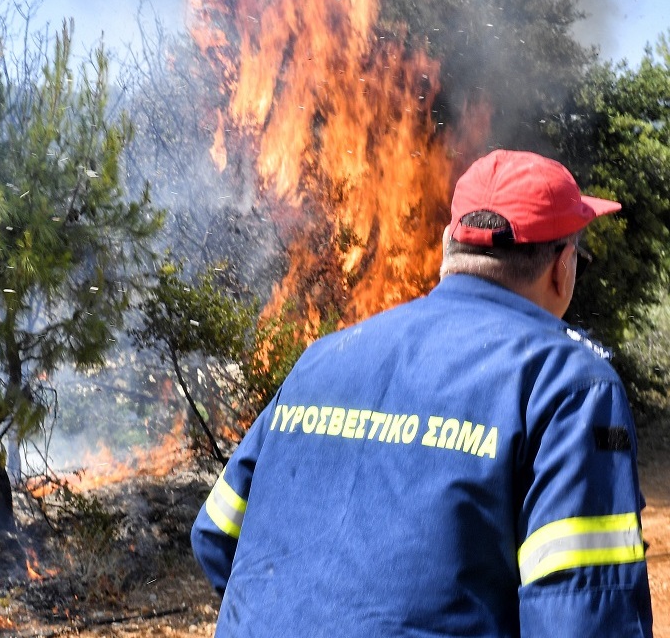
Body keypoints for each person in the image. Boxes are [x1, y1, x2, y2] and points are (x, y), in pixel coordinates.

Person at [191, 149, 653, 637]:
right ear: (562, 267)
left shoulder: (323, 357)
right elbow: (585, 616)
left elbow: (217, 534)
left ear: (448, 245)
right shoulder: (568, 384)